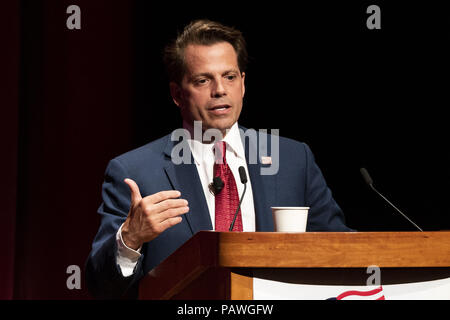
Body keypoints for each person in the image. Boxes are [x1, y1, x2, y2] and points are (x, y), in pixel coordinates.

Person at [85, 19, 352, 299]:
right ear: (177, 94)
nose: (220, 90)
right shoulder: (136, 172)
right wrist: (131, 239)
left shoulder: (294, 160)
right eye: (203, 80)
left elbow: (343, 254)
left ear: (243, 83)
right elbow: (102, 288)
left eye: (229, 76)